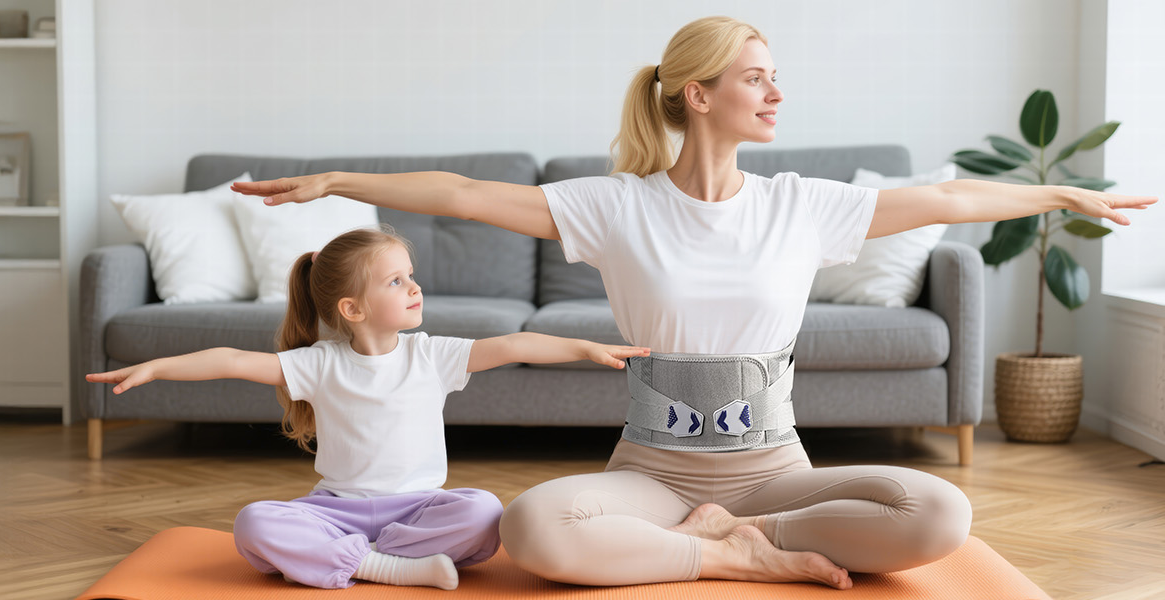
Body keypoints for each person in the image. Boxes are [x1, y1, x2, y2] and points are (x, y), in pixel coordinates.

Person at [229, 16, 1156, 590]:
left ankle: (742, 533)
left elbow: (950, 200)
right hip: (654, 472)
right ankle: (727, 555)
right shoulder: (615, 204)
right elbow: (467, 193)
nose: (776, 91)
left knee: (939, 516)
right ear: (697, 92)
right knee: (534, 529)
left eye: (775, 75)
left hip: (776, 468)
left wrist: (1062, 194)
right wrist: (338, 180)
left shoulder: (802, 205)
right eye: (758, 75)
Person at [86, 226, 649, 590]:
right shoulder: (319, 363)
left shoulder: (431, 356)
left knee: (483, 514)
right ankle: (384, 567)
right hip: (335, 510)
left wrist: (583, 347)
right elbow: (232, 360)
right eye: (396, 280)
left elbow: (514, 345)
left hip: (420, 509)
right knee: (254, 522)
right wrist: (156, 367)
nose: (414, 287)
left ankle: (356, 561)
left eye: (411, 275)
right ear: (352, 308)